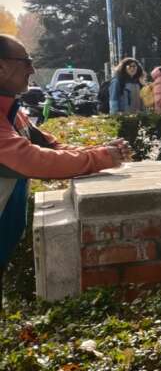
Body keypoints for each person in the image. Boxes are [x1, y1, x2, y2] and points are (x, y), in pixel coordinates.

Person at [0, 36, 129, 294]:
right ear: (1, 67)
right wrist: (99, 158)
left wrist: (102, 152)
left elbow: (52, 147)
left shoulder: (14, 111)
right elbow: (30, 160)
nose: (32, 70)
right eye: (26, 62)